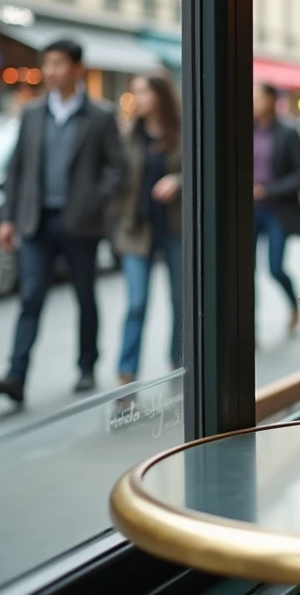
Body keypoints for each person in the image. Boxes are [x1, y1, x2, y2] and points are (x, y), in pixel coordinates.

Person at [0, 39, 126, 403]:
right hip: (36, 222)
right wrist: (7, 217)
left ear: (78, 68)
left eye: (58, 64)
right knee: (31, 297)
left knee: (83, 295)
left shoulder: (100, 115)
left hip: (81, 223)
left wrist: (95, 199)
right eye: (47, 64)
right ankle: (16, 376)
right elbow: (16, 169)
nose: (50, 71)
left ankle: (86, 365)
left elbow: (118, 168)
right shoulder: (31, 114)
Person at [113, 73, 183, 385]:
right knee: (136, 302)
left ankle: (180, 363)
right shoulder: (129, 135)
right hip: (136, 228)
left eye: (143, 91)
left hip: (175, 228)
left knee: (181, 301)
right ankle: (126, 375)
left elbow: (200, 169)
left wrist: (178, 181)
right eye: (134, 92)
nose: (137, 98)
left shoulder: (182, 132)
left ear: (160, 95)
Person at [253, 82, 300, 333]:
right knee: (244, 273)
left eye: (255, 96)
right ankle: (248, 327)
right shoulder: (243, 129)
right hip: (249, 211)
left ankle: (293, 304)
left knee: (275, 267)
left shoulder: (288, 132)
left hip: (277, 210)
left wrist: (269, 190)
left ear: (270, 100)